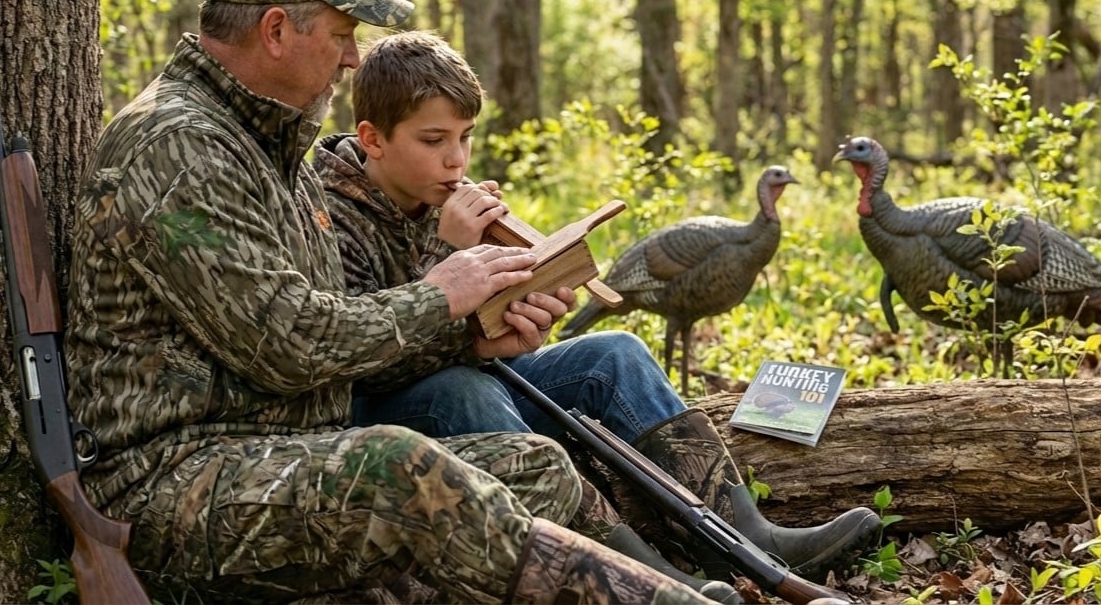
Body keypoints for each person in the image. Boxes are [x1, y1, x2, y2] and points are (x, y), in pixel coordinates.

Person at [64, 0, 735, 604]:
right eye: (342, 34)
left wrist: (473, 335)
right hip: (175, 483)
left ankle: (676, 580)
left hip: (278, 452)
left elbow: (336, 343)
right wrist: (444, 290)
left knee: (532, 465)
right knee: (400, 469)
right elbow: (289, 343)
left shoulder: (267, 142)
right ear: (275, 30)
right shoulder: (177, 144)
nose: (353, 58)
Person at [314, 29, 883, 583]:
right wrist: (450, 250)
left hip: (469, 380)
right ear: (373, 139)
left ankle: (742, 533)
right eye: (433, 141)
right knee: (470, 389)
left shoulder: (443, 200)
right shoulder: (325, 213)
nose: (455, 159)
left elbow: (474, 332)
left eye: (464, 137)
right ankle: (635, 575)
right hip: (387, 425)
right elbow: (360, 361)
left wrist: (523, 308)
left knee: (615, 353)